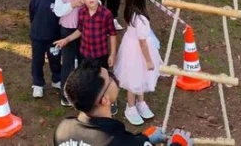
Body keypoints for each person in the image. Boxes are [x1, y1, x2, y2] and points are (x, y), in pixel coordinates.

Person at [53, 59, 193, 145]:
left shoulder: (62, 130)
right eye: (111, 77)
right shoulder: (116, 141)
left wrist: (142, 139)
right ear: (105, 100)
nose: (114, 78)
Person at [114, 0, 162, 125]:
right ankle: (131, 107)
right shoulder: (141, 19)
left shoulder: (130, 11)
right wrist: (148, 60)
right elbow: (142, 43)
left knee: (139, 77)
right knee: (134, 79)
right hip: (138, 51)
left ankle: (140, 103)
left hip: (130, 45)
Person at [54, 0, 92, 106]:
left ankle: (82, 91)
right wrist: (73, 4)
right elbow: (58, 11)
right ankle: (65, 94)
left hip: (86, 28)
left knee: (84, 61)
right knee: (68, 63)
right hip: (68, 29)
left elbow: (96, 1)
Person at [54, 0, 117, 72]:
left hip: (101, 54)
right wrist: (67, 39)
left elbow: (112, 34)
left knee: (101, 79)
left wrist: (113, 54)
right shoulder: (82, 12)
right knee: (86, 79)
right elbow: (80, 30)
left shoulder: (106, 14)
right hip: (85, 54)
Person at [30, 0, 62, 98]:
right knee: (37, 61)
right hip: (37, 37)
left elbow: (60, 16)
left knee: (55, 59)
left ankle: (57, 79)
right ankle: (38, 84)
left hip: (54, 38)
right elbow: (32, 14)